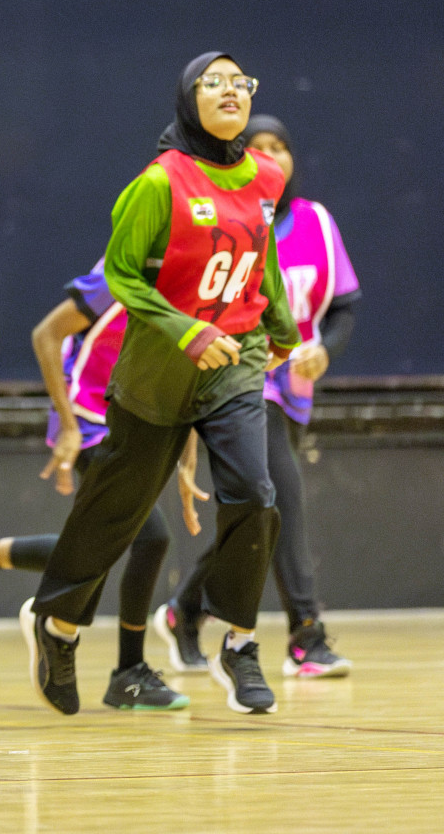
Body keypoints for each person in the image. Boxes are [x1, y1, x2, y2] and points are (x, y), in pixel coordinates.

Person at [21, 52, 299, 717]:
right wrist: (184, 330)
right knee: (113, 517)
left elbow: (262, 262)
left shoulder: (265, 176)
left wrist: (282, 330)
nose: (230, 91)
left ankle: (238, 639)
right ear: (186, 97)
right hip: (155, 371)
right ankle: (57, 624)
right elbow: (123, 278)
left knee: (255, 494)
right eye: (214, 82)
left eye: (240, 82)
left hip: (233, 358)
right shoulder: (158, 183)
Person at [0, 259, 198, 709]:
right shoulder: (119, 273)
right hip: (90, 422)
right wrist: (70, 427)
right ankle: (129, 671)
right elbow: (46, 335)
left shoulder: (198, 281)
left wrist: (187, 458)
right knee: (147, 538)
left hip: (137, 423)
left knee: (103, 542)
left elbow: (190, 370)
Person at [156, 113, 360, 680]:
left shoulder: (316, 222)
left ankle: (185, 609)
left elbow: (342, 306)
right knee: (281, 501)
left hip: (294, 387)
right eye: (258, 145)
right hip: (241, 379)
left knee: (258, 513)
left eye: (281, 146)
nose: (271, 154)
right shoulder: (233, 218)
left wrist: (325, 351)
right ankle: (306, 635)